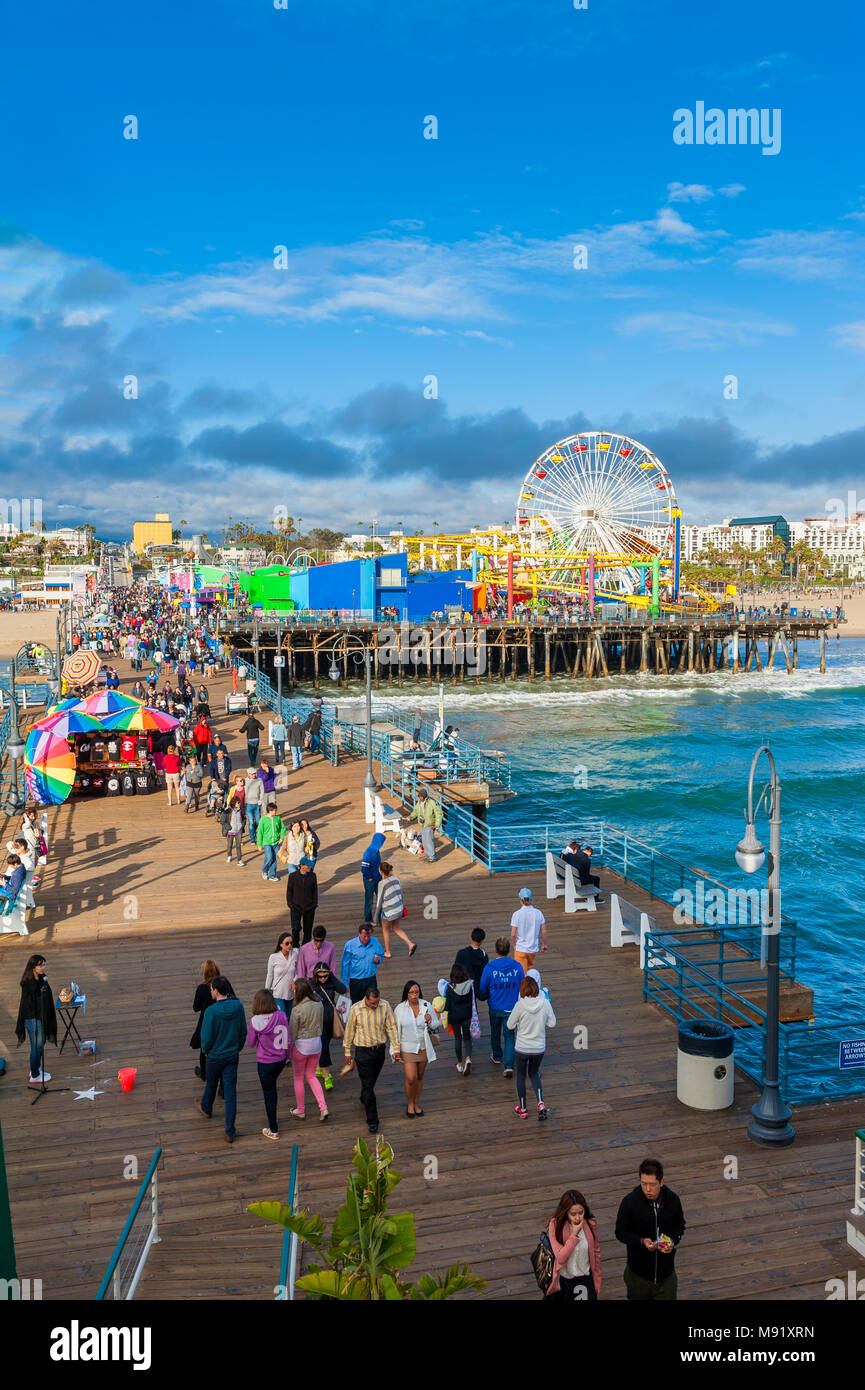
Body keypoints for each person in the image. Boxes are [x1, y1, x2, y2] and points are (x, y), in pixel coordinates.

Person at [614, 1159, 686, 1301]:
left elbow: (680, 1226)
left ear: (661, 1182)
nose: (648, 1189)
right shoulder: (629, 1203)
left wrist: (672, 1241)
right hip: (638, 1277)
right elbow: (620, 1232)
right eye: (644, 1183)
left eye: (652, 1184)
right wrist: (641, 1241)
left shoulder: (673, 1200)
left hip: (666, 1277)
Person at [343, 984, 401, 1133]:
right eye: (372, 1003)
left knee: (370, 1082)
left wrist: (396, 1048)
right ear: (366, 999)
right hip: (362, 1052)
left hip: (379, 1050)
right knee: (368, 1085)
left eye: (377, 1002)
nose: (375, 1005)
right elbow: (350, 1030)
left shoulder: (385, 1005)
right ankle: (372, 1120)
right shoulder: (356, 1009)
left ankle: (365, 1095)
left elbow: (391, 1027)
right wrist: (347, 1051)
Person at [199, 975, 246, 1143]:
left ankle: (206, 1107)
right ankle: (230, 1130)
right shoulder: (238, 1007)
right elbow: (243, 1032)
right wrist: (237, 1048)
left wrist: (206, 1051)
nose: (210, 991)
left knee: (211, 1083)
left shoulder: (211, 1011)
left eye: (211, 989)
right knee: (230, 1092)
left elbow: (206, 1037)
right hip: (232, 1055)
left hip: (214, 1056)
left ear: (216, 991)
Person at [507, 975, 556, 1120]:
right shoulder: (545, 1003)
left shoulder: (520, 1005)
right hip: (539, 1048)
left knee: (521, 1076)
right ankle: (540, 1103)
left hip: (522, 1047)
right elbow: (552, 1023)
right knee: (534, 1074)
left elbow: (510, 1025)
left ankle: (522, 1108)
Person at [247, 988, 291, 1140]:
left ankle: (273, 1129)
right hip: (279, 1060)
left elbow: (251, 1043)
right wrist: (287, 1055)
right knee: (273, 1090)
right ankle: (273, 1123)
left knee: (269, 1095)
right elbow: (287, 1037)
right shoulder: (281, 1015)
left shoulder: (255, 1022)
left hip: (265, 1063)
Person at [545, 1191, 602, 1302]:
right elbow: (561, 1257)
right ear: (566, 1212)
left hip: (584, 1280)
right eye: (573, 1214)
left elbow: (596, 1252)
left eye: (581, 1213)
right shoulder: (555, 1225)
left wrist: (597, 1281)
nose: (577, 1218)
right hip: (563, 1282)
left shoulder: (590, 1223)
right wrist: (574, 1235)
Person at [479, 937, 524, 1077]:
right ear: (509, 950)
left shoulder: (489, 968)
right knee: (510, 1036)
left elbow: (482, 987)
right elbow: (523, 985)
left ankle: (497, 1056)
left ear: (495, 950)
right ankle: (509, 1065)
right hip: (512, 1008)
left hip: (495, 1006)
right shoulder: (517, 966)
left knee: (495, 1032)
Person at [394, 980, 438, 1116]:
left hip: (424, 1047)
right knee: (411, 1077)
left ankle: (416, 1103)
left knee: (419, 1076)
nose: (414, 995)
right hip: (407, 1047)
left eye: (416, 992)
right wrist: (394, 1050)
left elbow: (436, 1024)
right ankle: (410, 1103)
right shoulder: (400, 1009)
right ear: (406, 994)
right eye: (411, 992)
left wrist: (430, 1021)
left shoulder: (426, 1005)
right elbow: (395, 1031)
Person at [288, 978, 329, 1121]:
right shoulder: (319, 1004)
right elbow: (321, 1023)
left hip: (301, 1047)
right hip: (317, 1044)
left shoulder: (296, 1009)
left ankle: (301, 1110)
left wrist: (288, 1051)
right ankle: (323, 1108)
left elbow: (292, 1033)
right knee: (311, 1076)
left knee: (298, 1078)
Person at [15, 953, 56, 1085]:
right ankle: (35, 1075)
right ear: (33, 966)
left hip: (39, 1017)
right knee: (36, 1047)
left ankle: (35, 1069)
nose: (43, 967)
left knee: (40, 1044)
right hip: (32, 1019)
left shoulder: (41, 977)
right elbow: (32, 1003)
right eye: (40, 965)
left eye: (44, 964)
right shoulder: (29, 982)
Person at [191, 959, 233, 1079]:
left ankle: (204, 1072)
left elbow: (196, 1008)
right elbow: (233, 997)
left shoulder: (202, 988)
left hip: (206, 1020)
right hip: (223, 1018)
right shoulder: (225, 983)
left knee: (205, 1046)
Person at [309, 961, 346, 1092]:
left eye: (325, 976)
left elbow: (342, 989)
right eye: (320, 976)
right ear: (315, 975)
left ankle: (319, 1067)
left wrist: (333, 978)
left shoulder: (331, 982)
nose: (323, 979)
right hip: (318, 1022)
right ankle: (327, 1077)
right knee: (324, 1049)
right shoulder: (311, 985)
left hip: (331, 1020)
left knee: (324, 1046)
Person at [373, 862, 416, 958]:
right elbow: (401, 893)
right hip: (399, 908)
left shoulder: (381, 883)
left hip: (389, 912)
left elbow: (379, 901)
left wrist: (375, 916)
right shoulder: (396, 878)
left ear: (380, 871)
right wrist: (401, 906)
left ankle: (388, 952)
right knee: (396, 928)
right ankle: (410, 944)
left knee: (385, 930)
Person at [340, 923, 384, 1003]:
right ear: (359, 934)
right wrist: (345, 984)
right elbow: (345, 965)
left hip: (371, 979)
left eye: (369, 936)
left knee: (372, 1002)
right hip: (356, 981)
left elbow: (381, 954)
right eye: (364, 936)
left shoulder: (375, 941)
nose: (367, 938)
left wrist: (378, 960)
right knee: (356, 1004)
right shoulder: (350, 945)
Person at [443, 963, 475, 1075]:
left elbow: (447, 1006)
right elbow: (472, 1001)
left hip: (455, 1017)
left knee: (457, 1038)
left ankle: (460, 1063)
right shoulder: (470, 985)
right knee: (467, 1038)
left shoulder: (450, 988)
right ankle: (468, 1058)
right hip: (467, 1015)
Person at [510, 887, 547, 974]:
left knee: (521, 974)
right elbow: (544, 931)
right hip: (532, 948)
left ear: (520, 899)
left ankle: (524, 987)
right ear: (531, 899)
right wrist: (544, 944)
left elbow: (513, 934)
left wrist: (514, 945)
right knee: (530, 968)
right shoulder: (538, 913)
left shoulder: (517, 914)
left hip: (520, 948)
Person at [286, 856, 318, 946]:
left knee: (308, 930)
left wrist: (314, 904)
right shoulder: (292, 876)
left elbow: (315, 890)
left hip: (309, 907)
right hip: (296, 906)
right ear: (301, 866)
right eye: (308, 865)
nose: (310, 867)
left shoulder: (313, 876)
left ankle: (305, 947)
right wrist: (290, 904)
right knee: (295, 928)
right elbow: (289, 891)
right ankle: (295, 945)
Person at [265, 931, 298, 1016]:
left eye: (291, 943)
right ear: (281, 944)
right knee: (282, 1017)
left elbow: (298, 971)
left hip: (291, 993)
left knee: (289, 1018)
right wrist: (266, 991)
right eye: (287, 943)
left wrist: (294, 980)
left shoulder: (295, 954)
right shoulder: (273, 957)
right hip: (278, 993)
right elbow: (270, 975)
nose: (290, 945)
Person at [408, 787, 442, 861]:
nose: (419, 797)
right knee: (424, 839)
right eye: (419, 796)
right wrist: (410, 817)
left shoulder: (432, 802)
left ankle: (432, 856)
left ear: (424, 796)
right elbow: (416, 811)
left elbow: (438, 813)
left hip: (430, 824)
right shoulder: (419, 802)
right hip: (423, 823)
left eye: (420, 796)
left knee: (429, 840)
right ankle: (428, 855)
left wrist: (436, 824)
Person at [454, 927, 487, 997]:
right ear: (482, 941)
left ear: (471, 938)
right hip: (476, 987)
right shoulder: (484, 955)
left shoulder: (461, 953)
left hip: (463, 986)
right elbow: (484, 973)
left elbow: (455, 970)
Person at [256, 803, 285, 882]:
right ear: (269, 811)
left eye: (276, 810)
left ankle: (272, 875)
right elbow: (260, 832)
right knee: (269, 857)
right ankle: (264, 870)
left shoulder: (277, 818)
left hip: (276, 843)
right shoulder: (263, 820)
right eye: (274, 810)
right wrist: (259, 844)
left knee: (275, 859)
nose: (276, 812)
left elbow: (282, 828)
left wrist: (282, 838)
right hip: (267, 843)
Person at [361, 831, 385, 922]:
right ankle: (368, 919)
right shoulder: (369, 852)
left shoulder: (376, 851)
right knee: (369, 900)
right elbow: (364, 867)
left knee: (380, 898)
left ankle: (379, 918)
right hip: (370, 880)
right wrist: (369, 877)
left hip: (378, 878)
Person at [243, 766, 264, 843]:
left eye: (254, 773)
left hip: (257, 804)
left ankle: (256, 833)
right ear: (248, 774)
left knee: (258, 821)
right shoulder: (244, 781)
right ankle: (252, 839)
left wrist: (260, 801)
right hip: (248, 804)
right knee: (251, 821)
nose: (253, 775)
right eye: (252, 774)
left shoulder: (259, 780)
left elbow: (262, 791)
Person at [225, 796, 245, 866]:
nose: (239, 803)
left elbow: (244, 819)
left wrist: (242, 825)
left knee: (238, 846)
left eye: (240, 802)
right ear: (234, 803)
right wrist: (228, 827)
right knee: (229, 845)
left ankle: (239, 860)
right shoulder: (228, 811)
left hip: (239, 831)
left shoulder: (241, 810)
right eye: (238, 802)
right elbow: (222, 820)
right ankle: (229, 855)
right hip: (230, 831)